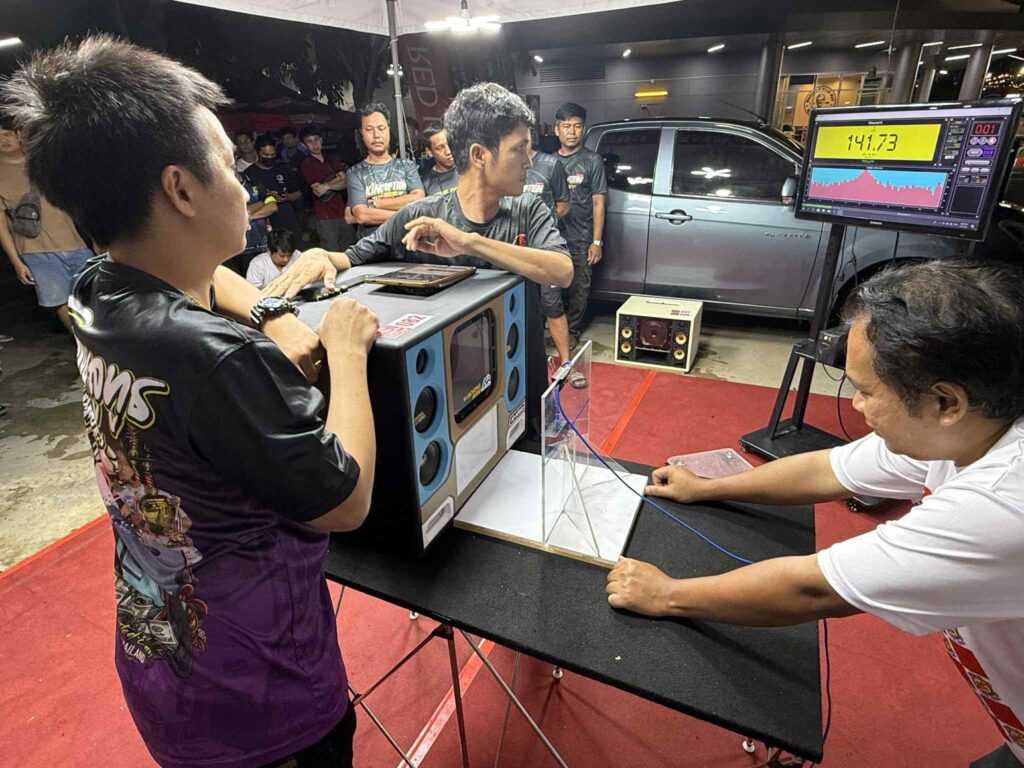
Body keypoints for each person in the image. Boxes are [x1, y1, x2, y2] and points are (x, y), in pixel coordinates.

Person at [2, 35, 380, 768]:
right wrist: (346, 350)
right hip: (267, 700)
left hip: (165, 669)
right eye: (230, 168)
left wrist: (272, 310)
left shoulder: (96, 292)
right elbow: (348, 500)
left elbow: (206, 280)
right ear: (180, 188)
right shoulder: (218, 358)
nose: (242, 187)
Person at [605, 259, 1024, 768]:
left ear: (945, 402)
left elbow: (814, 589)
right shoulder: (971, 425)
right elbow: (830, 470)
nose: (855, 406)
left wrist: (667, 595)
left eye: (867, 391)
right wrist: (708, 487)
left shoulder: (1002, 504)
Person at [265, 83, 574, 434]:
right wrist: (319, 254)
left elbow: (561, 271)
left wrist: (469, 243)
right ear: (478, 155)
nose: (529, 161)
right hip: (449, 397)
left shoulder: (527, 209)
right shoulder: (421, 216)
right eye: (519, 149)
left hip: (518, 381)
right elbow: (352, 258)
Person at [0, 115, 93, 333]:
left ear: (18, 135)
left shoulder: (43, 161)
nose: (3, 140)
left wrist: (97, 238)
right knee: (59, 301)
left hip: (75, 243)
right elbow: (1, 224)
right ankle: (83, 344)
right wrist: (17, 262)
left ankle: (103, 343)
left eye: (6, 134)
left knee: (94, 296)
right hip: (35, 251)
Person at [524, 144, 580, 385]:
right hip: (515, 251)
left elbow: (564, 204)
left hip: (545, 251)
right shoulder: (502, 164)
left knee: (552, 306)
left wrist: (540, 226)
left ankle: (566, 364)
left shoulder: (550, 164)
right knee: (522, 309)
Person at [554, 102, 606, 344]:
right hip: (552, 239)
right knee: (551, 290)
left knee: (579, 290)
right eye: (567, 126)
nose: (572, 132)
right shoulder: (548, 162)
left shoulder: (592, 161)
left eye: (577, 126)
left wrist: (596, 241)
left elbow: (598, 202)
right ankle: (552, 329)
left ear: (583, 129)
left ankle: (572, 332)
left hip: (581, 238)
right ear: (557, 130)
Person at [345, 102, 425, 240]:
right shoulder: (355, 173)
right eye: (369, 129)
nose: (376, 135)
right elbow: (361, 215)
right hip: (372, 245)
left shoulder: (406, 166)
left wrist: (374, 204)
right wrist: (405, 216)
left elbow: (418, 198)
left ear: (388, 129)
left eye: (381, 128)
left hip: (407, 243)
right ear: (362, 134)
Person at [298, 126, 353, 251]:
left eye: (316, 139)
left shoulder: (332, 159)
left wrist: (327, 185)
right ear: (304, 145)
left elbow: (346, 182)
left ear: (321, 140)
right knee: (332, 253)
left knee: (350, 251)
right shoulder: (306, 164)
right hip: (324, 216)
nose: (314, 144)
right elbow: (319, 191)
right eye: (309, 141)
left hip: (343, 212)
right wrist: (337, 179)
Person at [244, 134, 303, 236]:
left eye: (272, 154)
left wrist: (286, 196)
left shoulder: (283, 169)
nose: (269, 157)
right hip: (264, 218)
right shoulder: (249, 173)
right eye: (265, 155)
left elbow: (297, 193)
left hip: (287, 216)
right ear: (257, 152)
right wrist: (267, 197)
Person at [420, 126, 459, 197]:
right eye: (440, 147)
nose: (448, 151)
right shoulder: (426, 184)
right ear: (429, 152)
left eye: (450, 144)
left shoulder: (470, 170)